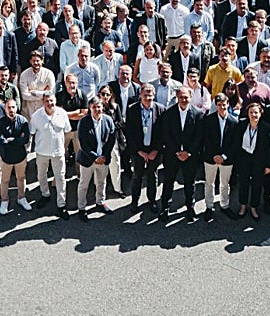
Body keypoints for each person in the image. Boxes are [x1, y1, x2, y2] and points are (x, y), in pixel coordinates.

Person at [159, 87, 203, 218]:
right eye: (181, 97)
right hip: (173, 154)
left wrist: (188, 153)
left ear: (190, 97)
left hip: (190, 156)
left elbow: (199, 136)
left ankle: (190, 207)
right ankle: (165, 208)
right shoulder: (169, 113)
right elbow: (166, 135)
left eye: (186, 97)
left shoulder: (198, 114)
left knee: (190, 183)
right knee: (168, 182)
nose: (184, 100)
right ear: (177, 98)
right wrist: (177, 152)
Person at [124, 84, 163, 214]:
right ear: (140, 95)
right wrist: (138, 151)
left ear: (154, 95)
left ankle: (152, 200)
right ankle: (134, 201)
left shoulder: (160, 109)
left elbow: (163, 133)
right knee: (137, 176)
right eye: (145, 95)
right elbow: (129, 132)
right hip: (138, 150)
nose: (148, 98)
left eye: (150, 95)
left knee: (152, 176)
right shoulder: (132, 109)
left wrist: (156, 150)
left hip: (154, 150)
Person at [75, 96, 116, 220]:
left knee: (101, 182)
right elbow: (83, 144)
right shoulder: (84, 122)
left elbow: (111, 139)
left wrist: (104, 156)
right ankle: (81, 208)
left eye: (99, 107)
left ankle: (100, 202)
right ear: (90, 108)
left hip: (104, 159)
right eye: (94, 107)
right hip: (88, 160)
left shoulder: (108, 120)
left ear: (102, 107)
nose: (97, 109)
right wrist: (95, 157)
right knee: (84, 184)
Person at [232, 101, 270, 220]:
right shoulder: (242, 124)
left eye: (256, 112)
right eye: (251, 112)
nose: (253, 115)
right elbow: (236, 143)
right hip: (244, 158)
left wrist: (269, 165)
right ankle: (243, 206)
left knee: (257, 185)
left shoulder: (265, 127)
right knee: (243, 183)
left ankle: (254, 207)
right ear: (247, 114)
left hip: (259, 160)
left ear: (260, 113)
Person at [201, 92, 238, 218]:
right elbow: (206, 140)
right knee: (209, 183)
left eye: (224, 105)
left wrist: (224, 156)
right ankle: (209, 207)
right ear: (216, 105)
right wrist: (215, 156)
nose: (222, 107)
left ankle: (224, 205)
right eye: (219, 105)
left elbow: (235, 143)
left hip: (227, 159)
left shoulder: (234, 122)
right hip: (210, 158)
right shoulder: (208, 120)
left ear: (228, 104)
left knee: (224, 183)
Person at [0, 98, 32, 215]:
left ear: (17, 108)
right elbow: (1, 140)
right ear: (5, 109)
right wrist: (17, 140)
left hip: (20, 157)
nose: (11, 110)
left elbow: (25, 139)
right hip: (6, 158)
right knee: (5, 181)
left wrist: (11, 140)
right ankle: (4, 200)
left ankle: (21, 198)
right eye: (8, 107)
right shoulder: (0, 123)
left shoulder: (23, 121)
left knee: (21, 178)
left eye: (13, 107)